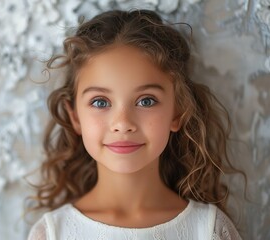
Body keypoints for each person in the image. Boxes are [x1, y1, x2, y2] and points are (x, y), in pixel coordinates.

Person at [27, 9, 243, 240]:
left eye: (146, 101)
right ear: (76, 117)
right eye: (100, 102)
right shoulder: (53, 232)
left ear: (178, 113)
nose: (123, 123)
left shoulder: (209, 228)